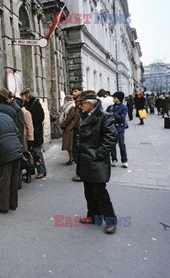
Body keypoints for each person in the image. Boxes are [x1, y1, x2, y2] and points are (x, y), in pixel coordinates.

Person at [75, 90, 118, 234]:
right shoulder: (84, 115)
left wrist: (99, 154)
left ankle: (111, 220)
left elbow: (111, 137)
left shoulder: (104, 117)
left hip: (96, 160)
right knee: (88, 190)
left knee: (99, 191)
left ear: (89, 103)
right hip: (86, 160)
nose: (79, 106)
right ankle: (93, 217)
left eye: (81, 103)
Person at [20, 88, 47, 179]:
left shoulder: (36, 104)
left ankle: (42, 171)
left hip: (36, 132)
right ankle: (31, 169)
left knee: (37, 152)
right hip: (31, 131)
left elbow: (41, 117)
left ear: (26, 95)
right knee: (31, 152)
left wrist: (31, 122)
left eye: (22, 96)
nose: (21, 98)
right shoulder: (26, 104)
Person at [107, 92, 128, 168]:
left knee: (122, 144)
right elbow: (106, 116)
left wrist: (113, 114)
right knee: (112, 144)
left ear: (118, 98)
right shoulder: (110, 107)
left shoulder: (124, 107)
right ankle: (114, 159)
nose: (113, 99)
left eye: (114, 97)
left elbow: (121, 119)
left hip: (120, 128)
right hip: (112, 127)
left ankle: (124, 160)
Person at [70, 85, 84, 182]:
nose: (73, 93)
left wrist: (76, 125)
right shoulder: (78, 101)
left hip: (80, 128)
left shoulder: (81, 101)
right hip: (78, 127)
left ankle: (81, 174)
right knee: (78, 151)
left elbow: (78, 116)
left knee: (79, 151)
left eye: (75, 91)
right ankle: (80, 173)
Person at [59, 95, 76, 165]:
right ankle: (71, 158)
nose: (63, 101)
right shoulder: (67, 107)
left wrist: (63, 124)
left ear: (67, 100)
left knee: (69, 143)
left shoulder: (71, 107)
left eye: (64, 100)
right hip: (68, 126)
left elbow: (69, 117)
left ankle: (72, 158)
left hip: (70, 126)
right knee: (68, 144)